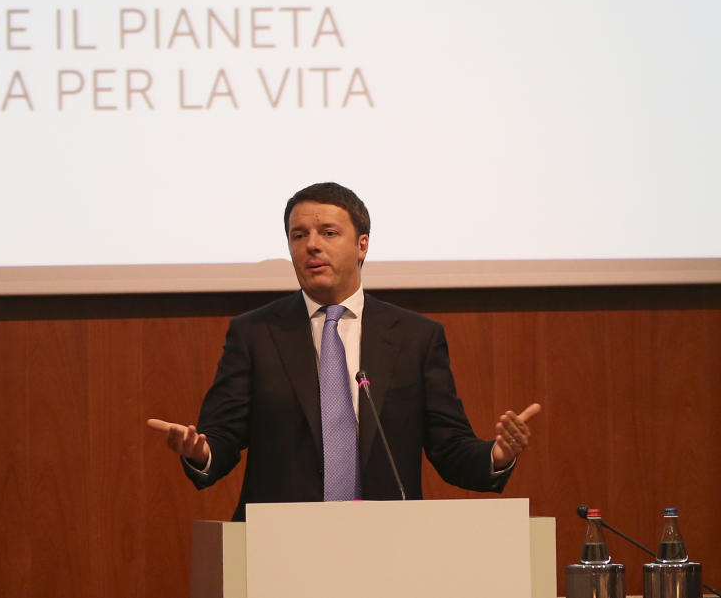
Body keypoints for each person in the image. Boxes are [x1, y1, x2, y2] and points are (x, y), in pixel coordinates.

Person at [148, 181, 540, 521]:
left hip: (387, 544)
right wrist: (200, 453)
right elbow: (222, 438)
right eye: (298, 235)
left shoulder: (416, 337)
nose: (311, 246)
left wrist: (497, 455)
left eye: (328, 233)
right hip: (278, 545)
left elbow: (450, 448)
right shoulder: (255, 333)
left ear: (362, 245)